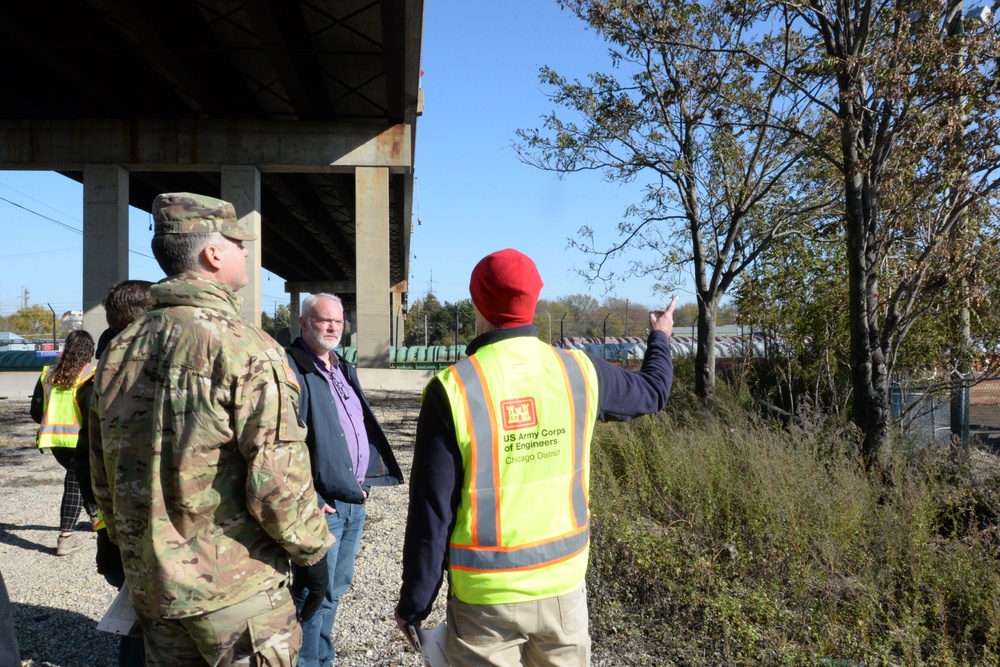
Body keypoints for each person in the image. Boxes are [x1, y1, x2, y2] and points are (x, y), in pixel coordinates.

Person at [394, 248, 679, 666]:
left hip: (485, 600)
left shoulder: (453, 388)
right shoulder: (580, 370)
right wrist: (661, 335)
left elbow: (432, 511)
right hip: (563, 589)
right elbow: (653, 391)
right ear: (535, 299)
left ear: (477, 302)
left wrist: (415, 603)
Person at [89, 192, 334, 667]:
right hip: (236, 593)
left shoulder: (120, 347)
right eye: (238, 242)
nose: (246, 252)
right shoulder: (244, 346)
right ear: (213, 253)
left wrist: (131, 548)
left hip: (155, 590)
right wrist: (314, 557)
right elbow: (277, 482)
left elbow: (103, 471)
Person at [286, 293, 404, 666]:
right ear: (305, 323)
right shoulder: (294, 369)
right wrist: (309, 497)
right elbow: (285, 443)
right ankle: (305, 662)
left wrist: (364, 481)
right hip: (322, 506)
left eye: (338, 321)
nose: (334, 327)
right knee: (311, 592)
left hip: (353, 500)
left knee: (335, 589)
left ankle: (323, 659)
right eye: (324, 320)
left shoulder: (341, 367)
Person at [75, 279, 153, 667]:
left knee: (137, 619)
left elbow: (84, 469)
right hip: (141, 538)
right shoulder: (141, 379)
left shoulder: (97, 380)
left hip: (117, 534)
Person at [31, 328, 99, 556]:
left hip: (54, 440)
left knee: (80, 477)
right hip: (81, 439)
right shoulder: (91, 373)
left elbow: (35, 411)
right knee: (76, 483)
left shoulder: (48, 374)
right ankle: (65, 537)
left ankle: (97, 519)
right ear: (90, 351)